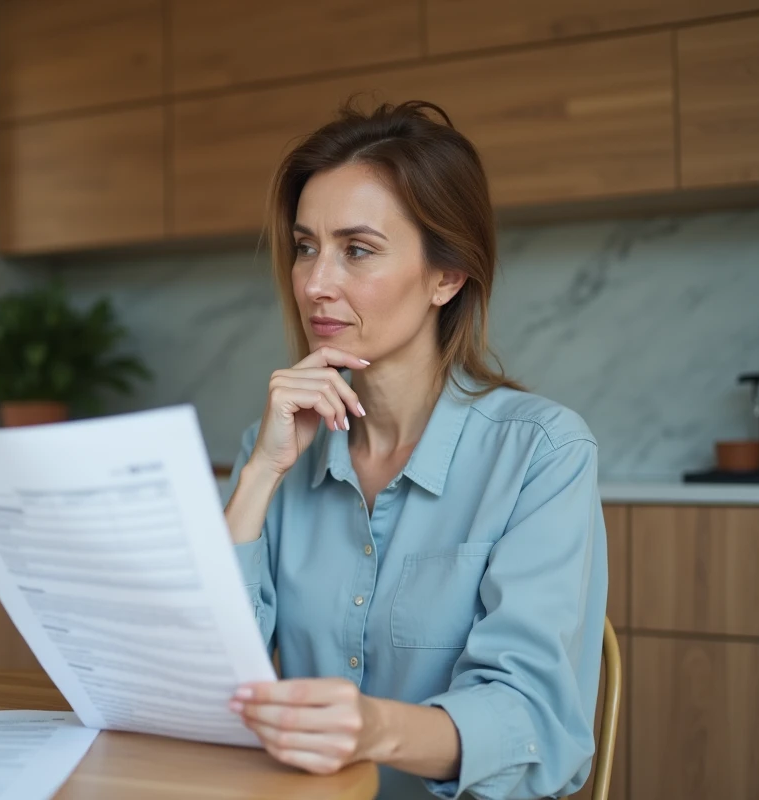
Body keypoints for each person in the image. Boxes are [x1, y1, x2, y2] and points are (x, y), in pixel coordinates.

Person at [223, 100, 607, 800]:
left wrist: (373, 729)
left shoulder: (542, 455)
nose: (314, 282)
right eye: (306, 246)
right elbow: (208, 682)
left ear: (446, 276)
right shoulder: (276, 449)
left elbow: (539, 726)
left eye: (357, 250)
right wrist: (257, 477)